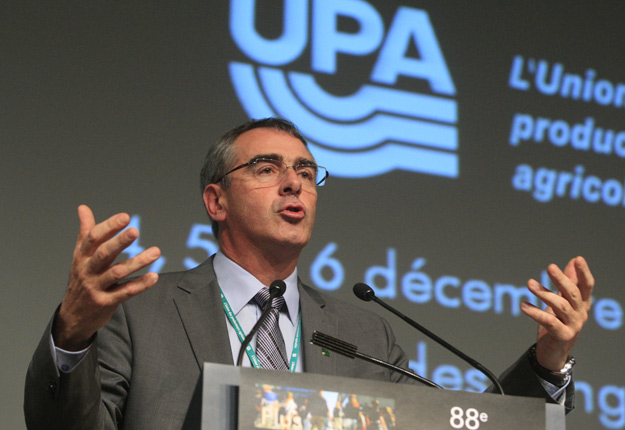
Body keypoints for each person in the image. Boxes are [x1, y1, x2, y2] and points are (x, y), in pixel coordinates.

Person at [24, 118, 594, 429]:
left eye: (306, 171)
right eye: (267, 168)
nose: (295, 183)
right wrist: (73, 336)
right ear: (216, 201)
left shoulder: (367, 335)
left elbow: (459, 425)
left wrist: (547, 361)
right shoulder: (139, 311)